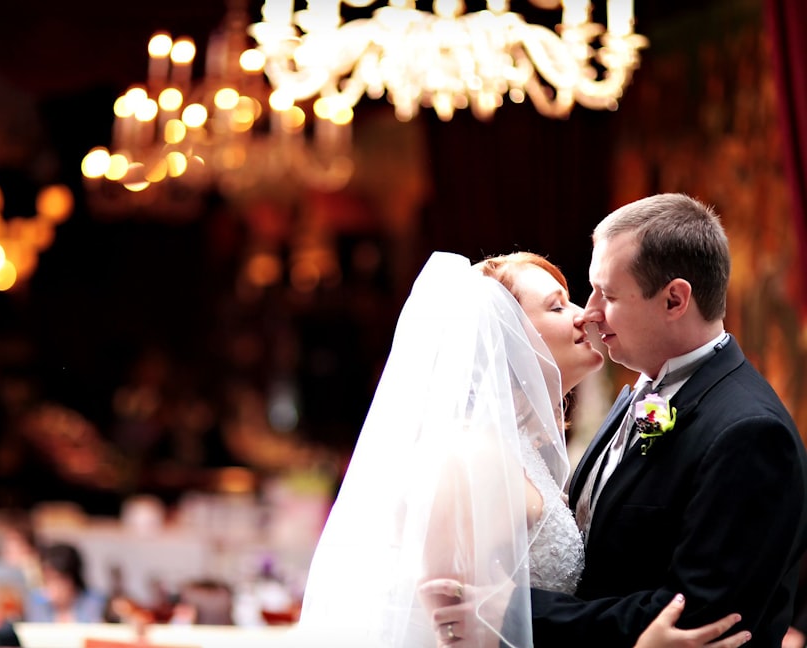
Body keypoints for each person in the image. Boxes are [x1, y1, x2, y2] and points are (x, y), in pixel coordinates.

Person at [294, 249, 748, 648]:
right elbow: (460, 631)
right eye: (556, 306)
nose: (584, 315)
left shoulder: (520, 449)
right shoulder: (476, 456)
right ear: (504, 336)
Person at [507, 192, 807, 646]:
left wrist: (511, 611)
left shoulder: (749, 432)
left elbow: (694, 618)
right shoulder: (644, 393)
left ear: (674, 300)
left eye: (607, 294)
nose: (589, 312)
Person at [24, 542, 106, 623]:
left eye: (57, 579)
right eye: (46, 579)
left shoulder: (95, 603)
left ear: (72, 579)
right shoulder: (37, 604)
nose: (51, 585)